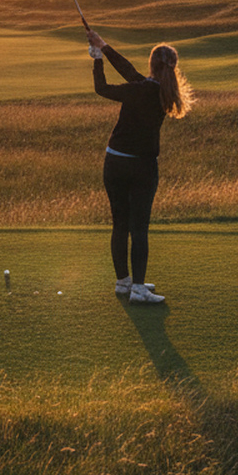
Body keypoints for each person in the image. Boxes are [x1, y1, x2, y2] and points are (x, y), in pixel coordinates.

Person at [86, 29, 194, 304]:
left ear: (152, 65)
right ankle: (137, 288)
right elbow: (131, 73)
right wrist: (103, 47)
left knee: (120, 224)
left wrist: (98, 56)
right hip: (142, 168)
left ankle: (124, 282)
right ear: (173, 67)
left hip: (115, 162)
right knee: (139, 228)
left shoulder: (139, 89)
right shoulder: (166, 94)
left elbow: (105, 87)